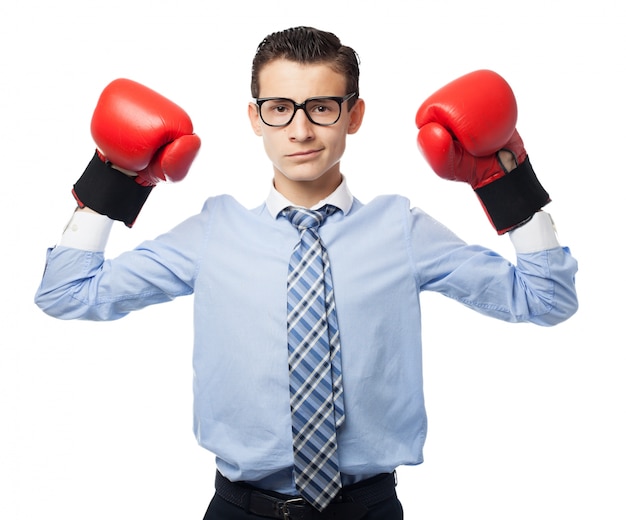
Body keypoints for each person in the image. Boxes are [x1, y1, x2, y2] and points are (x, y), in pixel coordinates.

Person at [34, 26, 578, 520]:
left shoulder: (401, 230)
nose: (299, 129)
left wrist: (504, 178)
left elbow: (546, 300)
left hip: (368, 510)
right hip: (239, 511)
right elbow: (66, 294)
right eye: (278, 107)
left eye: (321, 107)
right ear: (255, 117)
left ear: (354, 114)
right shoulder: (212, 231)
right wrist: (115, 179)